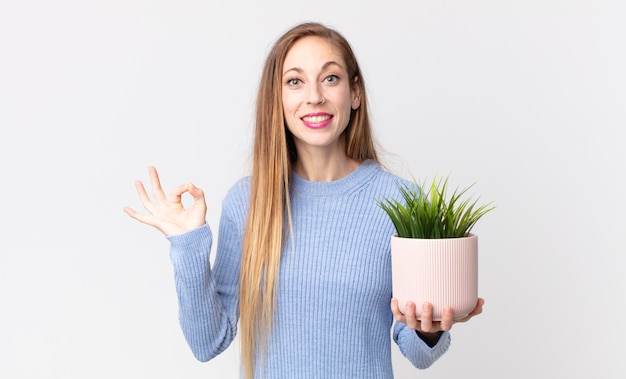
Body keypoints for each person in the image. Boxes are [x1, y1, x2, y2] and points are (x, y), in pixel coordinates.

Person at [124, 21, 484, 379]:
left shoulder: (400, 201)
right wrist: (187, 245)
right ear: (278, 99)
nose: (314, 96)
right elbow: (208, 343)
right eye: (295, 81)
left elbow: (418, 352)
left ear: (354, 93)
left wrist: (430, 329)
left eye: (330, 78)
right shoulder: (247, 203)